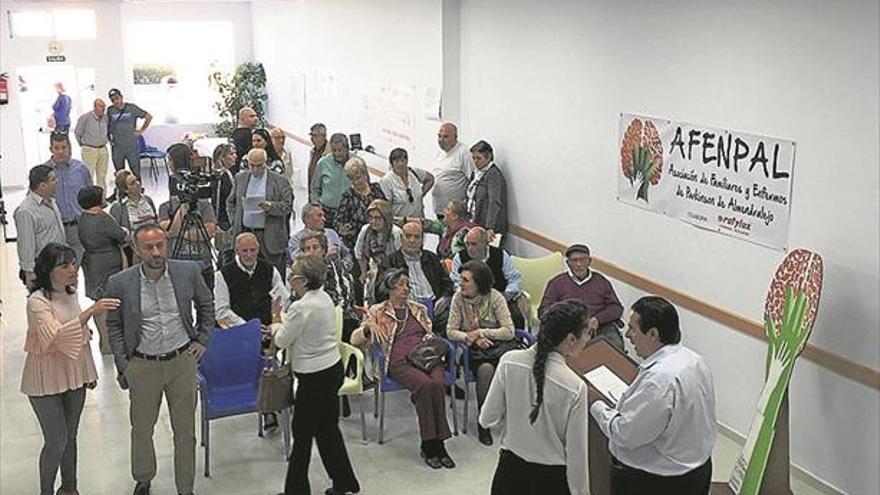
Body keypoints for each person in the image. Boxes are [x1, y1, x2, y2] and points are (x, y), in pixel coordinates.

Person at [105, 223, 214, 495]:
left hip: (181, 361)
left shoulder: (187, 272)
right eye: (149, 247)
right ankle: (143, 478)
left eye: (160, 245)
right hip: (142, 364)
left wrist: (202, 339)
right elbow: (114, 325)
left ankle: (185, 487)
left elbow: (206, 304)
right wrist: (124, 364)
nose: (156, 252)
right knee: (141, 428)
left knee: (185, 431)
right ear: (137, 250)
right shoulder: (120, 283)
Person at [589, 296, 716, 495]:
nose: (628, 335)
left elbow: (625, 434)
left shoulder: (659, 381)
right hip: (697, 471)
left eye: (632, 329)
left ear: (653, 334)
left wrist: (596, 406)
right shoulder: (694, 360)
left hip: (655, 481)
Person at [22, 242, 120, 495]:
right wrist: (91, 312)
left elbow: (80, 337)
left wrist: (89, 373)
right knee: (56, 441)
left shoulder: (70, 292)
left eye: (73, 263)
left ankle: (69, 488)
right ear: (48, 270)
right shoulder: (37, 302)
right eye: (64, 265)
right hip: (45, 377)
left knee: (71, 438)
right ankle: (46, 490)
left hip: (73, 374)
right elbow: (55, 337)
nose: (72, 269)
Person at [479, 299, 592, 495]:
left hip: (509, 472)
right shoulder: (575, 387)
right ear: (571, 339)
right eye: (587, 332)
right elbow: (577, 455)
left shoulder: (508, 361)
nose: (588, 338)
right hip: (551, 481)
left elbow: (487, 418)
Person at [271, 256, 361, 495]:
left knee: (301, 436)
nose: (290, 280)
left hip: (313, 378)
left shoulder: (301, 307)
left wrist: (274, 323)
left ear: (301, 280)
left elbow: (281, 340)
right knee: (327, 430)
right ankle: (345, 482)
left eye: (292, 276)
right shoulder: (324, 298)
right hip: (331, 370)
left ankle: (296, 491)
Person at [350, 269, 456, 470]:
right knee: (425, 385)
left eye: (407, 284)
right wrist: (367, 329)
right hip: (398, 361)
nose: (405, 288)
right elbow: (354, 340)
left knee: (438, 383)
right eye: (400, 284)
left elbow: (430, 333)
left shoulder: (418, 309)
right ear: (389, 288)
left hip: (425, 357)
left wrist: (428, 340)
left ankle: (438, 444)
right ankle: (431, 444)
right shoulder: (377, 311)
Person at [447, 259, 514, 446]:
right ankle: (483, 422)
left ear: (479, 283)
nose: (461, 284)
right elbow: (451, 331)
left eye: (466, 280)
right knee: (485, 370)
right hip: (473, 351)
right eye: (461, 279)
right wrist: (472, 338)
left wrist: (482, 332)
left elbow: (509, 331)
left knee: (513, 367)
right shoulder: (458, 298)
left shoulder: (495, 297)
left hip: (499, 348)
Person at [539, 244, 625, 350]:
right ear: (568, 263)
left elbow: (616, 308)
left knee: (615, 346)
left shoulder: (601, 281)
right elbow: (544, 310)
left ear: (589, 261)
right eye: (574, 260)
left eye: (583, 260)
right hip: (567, 328)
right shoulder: (556, 283)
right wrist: (564, 321)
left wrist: (597, 319)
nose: (579, 264)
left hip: (598, 327)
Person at [228, 148, 294, 277]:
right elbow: (231, 201)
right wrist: (235, 219)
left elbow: (288, 206)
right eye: (252, 165)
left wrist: (271, 206)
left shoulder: (280, 181)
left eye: (259, 165)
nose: (255, 169)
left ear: (266, 163)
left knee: (274, 274)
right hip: (246, 232)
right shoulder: (240, 178)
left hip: (269, 235)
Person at [159, 144, 218, 290]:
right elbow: (167, 231)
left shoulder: (204, 205)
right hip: (177, 263)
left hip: (203, 263)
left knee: (206, 302)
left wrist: (179, 233)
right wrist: (183, 207)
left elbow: (209, 231)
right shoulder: (165, 208)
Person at [77, 185, 128, 354]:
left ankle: (104, 340)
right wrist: (126, 230)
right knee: (110, 302)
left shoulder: (82, 218)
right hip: (108, 263)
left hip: (91, 263)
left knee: (99, 302)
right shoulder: (103, 218)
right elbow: (120, 235)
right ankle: (110, 342)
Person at [387, 221, 454, 336]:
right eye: (408, 236)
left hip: (435, 308)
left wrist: (445, 298)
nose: (412, 240)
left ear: (422, 240)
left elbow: (448, 284)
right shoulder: (391, 262)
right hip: (408, 310)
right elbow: (383, 292)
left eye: (416, 237)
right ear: (401, 238)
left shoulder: (432, 258)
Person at [451, 227, 525, 329]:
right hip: (470, 301)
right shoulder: (459, 258)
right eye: (467, 244)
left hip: (500, 298)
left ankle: (517, 343)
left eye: (474, 244)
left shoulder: (501, 255)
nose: (470, 248)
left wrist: (507, 294)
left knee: (516, 317)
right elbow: (456, 283)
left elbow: (514, 278)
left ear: (486, 243)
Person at [214, 232, 288, 329]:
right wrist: (247, 327)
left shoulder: (270, 270)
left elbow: (283, 300)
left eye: (253, 250)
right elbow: (222, 311)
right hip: (238, 330)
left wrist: (275, 323)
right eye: (245, 251)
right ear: (237, 251)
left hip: (269, 328)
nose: (249, 255)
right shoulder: (222, 275)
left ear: (258, 250)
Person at [14, 165, 65, 289]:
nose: (57, 182)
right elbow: (25, 244)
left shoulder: (51, 202)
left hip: (57, 262)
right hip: (41, 266)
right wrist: (29, 272)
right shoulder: (26, 211)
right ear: (42, 186)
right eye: (53, 180)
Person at [45, 132, 92, 262]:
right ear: (51, 149)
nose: (60, 152)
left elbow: (90, 198)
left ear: (69, 147)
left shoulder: (81, 169)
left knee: (88, 266)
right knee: (62, 271)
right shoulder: (44, 172)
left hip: (81, 228)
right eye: (56, 148)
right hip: (56, 229)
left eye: (64, 147)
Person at [353, 199, 402, 304]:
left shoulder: (395, 233)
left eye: (377, 218)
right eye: (370, 218)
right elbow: (359, 252)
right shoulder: (366, 230)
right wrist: (363, 272)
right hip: (374, 270)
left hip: (393, 271)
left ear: (386, 218)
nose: (373, 221)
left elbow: (400, 256)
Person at [335, 156, 386, 250]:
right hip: (356, 242)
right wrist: (342, 228)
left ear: (365, 174)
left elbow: (386, 211)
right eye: (352, 179)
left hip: (379, 240)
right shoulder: (347, 196)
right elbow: (338, 221)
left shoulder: (376, 189)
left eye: (358, 178)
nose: (356, 182)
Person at [109, 170, 158, 266]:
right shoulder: (119, 207)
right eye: (132, 183)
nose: (138, 184)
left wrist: (152, 217)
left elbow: (156, 221)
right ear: (126, 190)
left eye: (137, 180)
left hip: (152, 244)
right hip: (132, 250)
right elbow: (117, 233)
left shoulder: (148, 200)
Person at [287, 202, 352, 267]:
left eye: (324, 216)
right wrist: (324, 259)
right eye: (319, 215)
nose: (324, 219)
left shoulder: (331, 234)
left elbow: (347, 254)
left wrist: (344, 265)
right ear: (307, 219)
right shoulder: (296, 240)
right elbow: (298, 262)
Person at [431, 122, 475, 218]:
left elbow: (473, 180)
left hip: (456, 213)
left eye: (446, 137)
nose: (441, 140)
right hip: (440, 210)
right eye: (439, 136)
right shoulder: (440, 153)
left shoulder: (464, 153)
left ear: (455, 137)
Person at [107, 88, 152, 179]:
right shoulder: (110, 110)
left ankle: (137, 191)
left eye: (117, 98)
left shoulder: (131, 108)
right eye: (112, 100)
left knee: (135, 172)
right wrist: (109, 139)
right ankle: (122, 192)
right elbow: (107, 126)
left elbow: (148, 117)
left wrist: (141, 131)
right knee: (120, 174)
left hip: (131, 146)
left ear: (121, 97)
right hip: (117, 147)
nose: (115, 101)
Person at [379, 147, 434, 219]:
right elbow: (386, 205)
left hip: (418, 219)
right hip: (400, 222)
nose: (400, 164)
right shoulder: (386, 181)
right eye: (397, 161)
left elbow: (430, 179)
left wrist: (421, 195)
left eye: (403, 160)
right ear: (392, 164)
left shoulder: (414, 172)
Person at [310, 133, 351, 229]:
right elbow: (315, 187)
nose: (337, 154)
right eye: (334, 150)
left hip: (348, 213)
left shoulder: (356, 162)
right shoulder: (323, 163)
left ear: (347, 148)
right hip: (327, 212)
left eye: (340, 150)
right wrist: (316, 206)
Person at [467, 140, 508, 235]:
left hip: (490, 226)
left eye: (479, 158)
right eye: (473, 158)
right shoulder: (476, 172)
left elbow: (494, 202)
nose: (475, 162)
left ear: (488, 157)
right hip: (476, 220)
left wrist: (490, 227)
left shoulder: (493, 174)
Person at [210, 143, 237, 267]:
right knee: (226, 253)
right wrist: (219, 223)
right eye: (231, 154)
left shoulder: (226, 174)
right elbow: (218, 201)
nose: (235, 156)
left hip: (227, 219)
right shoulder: (222, 176)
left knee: (226, 252)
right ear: (222, 157)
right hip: (224, 220)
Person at [73, 98, 110, 189]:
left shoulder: (105, 118)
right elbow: (77, 132)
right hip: (90, 149)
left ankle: (102, 197)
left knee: (102, 176)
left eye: (104, 107)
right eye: (100, 106)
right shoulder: (85, 118)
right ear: (95, 107)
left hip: (102, 149)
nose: (103, 109)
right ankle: (90, 198)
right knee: (89, 174)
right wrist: (83, 145)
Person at [231, 106, 259, 174]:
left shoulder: (235, 133)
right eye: (251, 116)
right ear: (242, 119)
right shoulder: (247, 135)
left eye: (256, 116)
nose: (256, 119)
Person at [307, 123, 330, 191]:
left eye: (315, 135)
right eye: (312, 136)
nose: (311, 138)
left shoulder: (330, 152)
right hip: (313, 190)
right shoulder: (313, 151)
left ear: (323, 136)